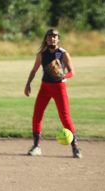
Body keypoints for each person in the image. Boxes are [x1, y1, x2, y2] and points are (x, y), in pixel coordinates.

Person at [24, 29, 82, 158]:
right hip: (45, 87)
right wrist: (28, 84)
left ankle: (75, 147)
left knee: (65, 117)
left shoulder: (63, 54)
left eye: (55, 36)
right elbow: (34, 70)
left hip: (59, 87)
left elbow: (72, 72)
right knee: (37, 115)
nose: (52, 38)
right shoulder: (41, 54)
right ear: (46, 39)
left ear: (58, 39)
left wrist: (64, 75)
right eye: (50, 36)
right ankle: (36, 146)